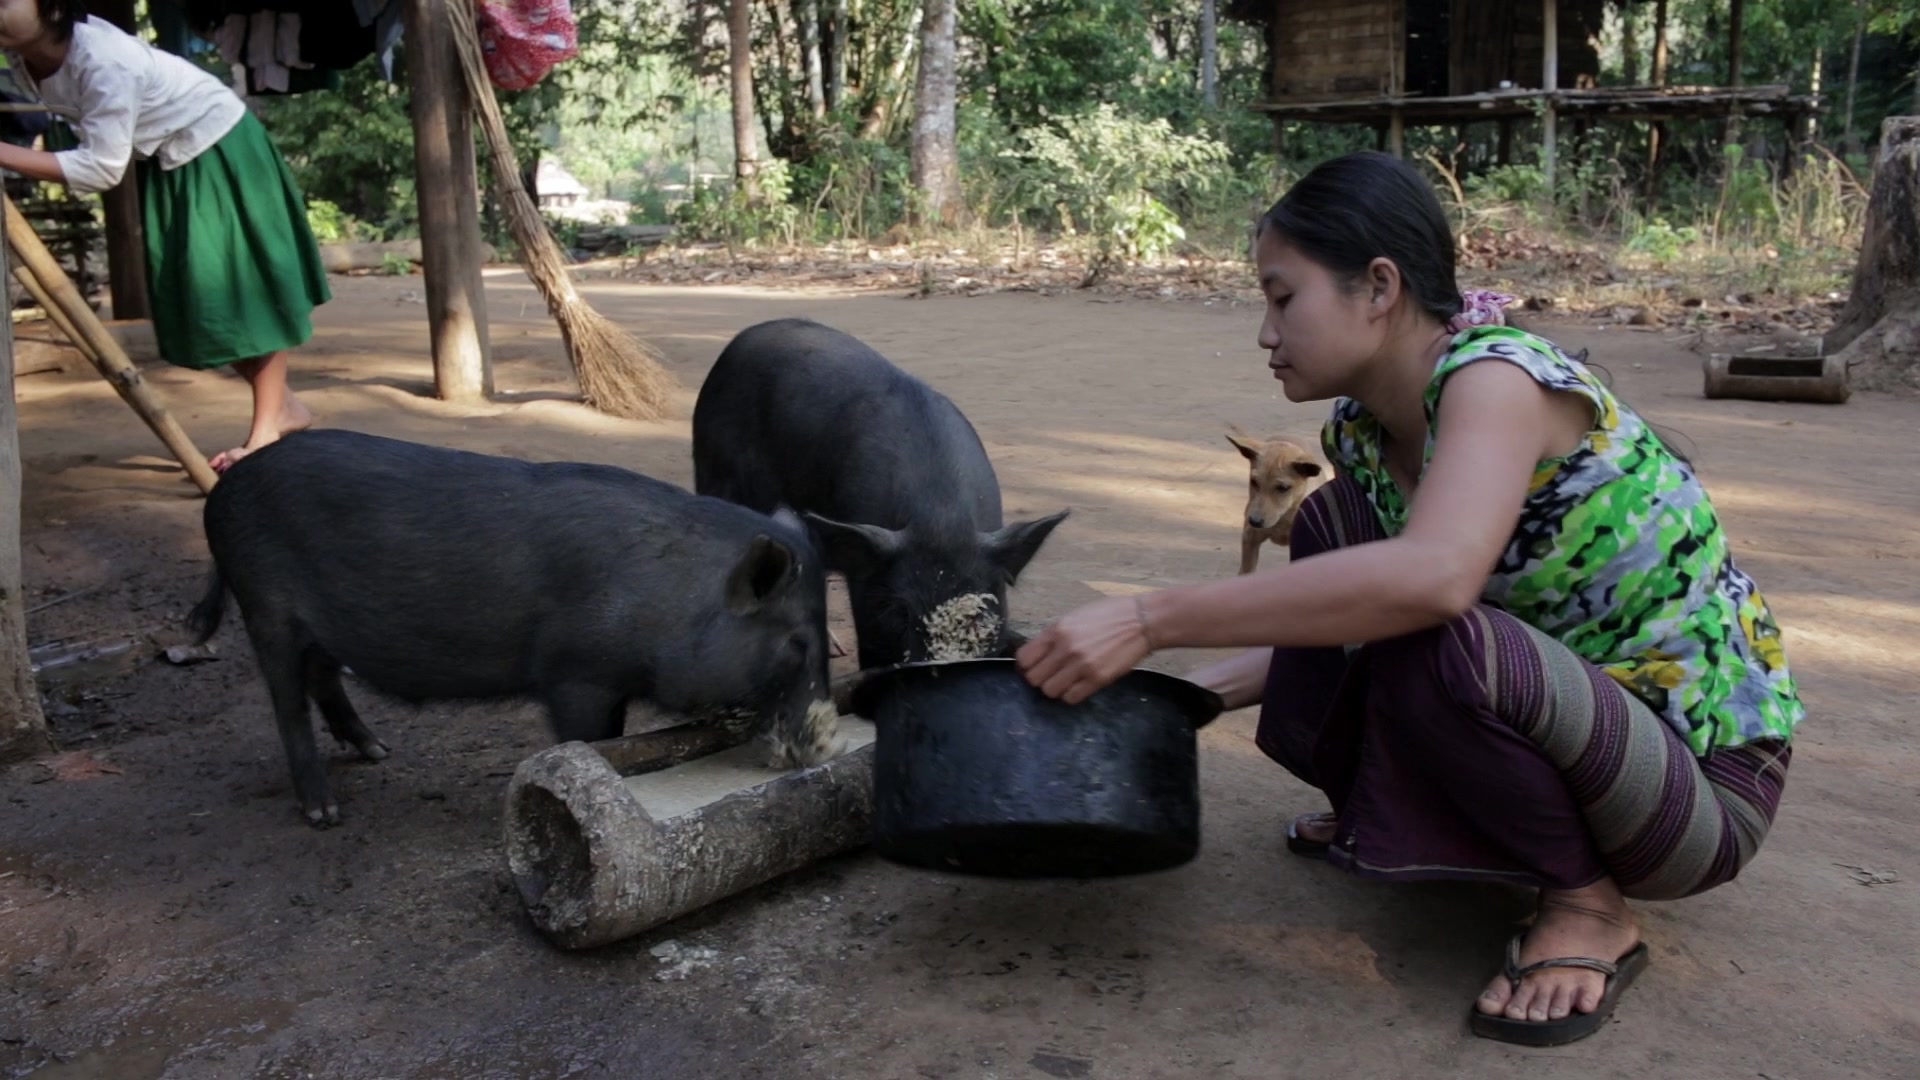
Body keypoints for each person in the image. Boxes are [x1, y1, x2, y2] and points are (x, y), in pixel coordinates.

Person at [1015, 151, 1801, 1047]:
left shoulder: (1497, 380)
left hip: (1694, 790)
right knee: (1334, 532)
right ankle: (1397, 805)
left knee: (1432, 621)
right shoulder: (1357, 431)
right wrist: (1182, 694)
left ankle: (1589, 907)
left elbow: (1432, 583)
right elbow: (1346, 621)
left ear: (1379, 286)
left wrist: (1147, 618)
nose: (1265, 334)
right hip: (1571, 727)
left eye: (1282, 298)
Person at [0, 0, 330, 471]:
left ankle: (266, 432)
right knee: (198, 303)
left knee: (242, 293)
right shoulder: (24, 51)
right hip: (170, 159)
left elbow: (100, 168)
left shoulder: (103, 61)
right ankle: (284, 407)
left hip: (216, 150)